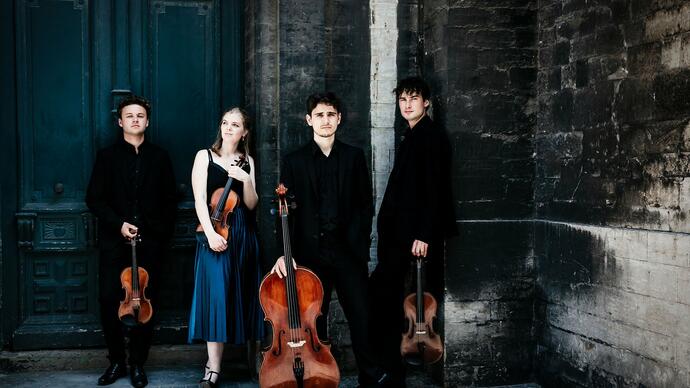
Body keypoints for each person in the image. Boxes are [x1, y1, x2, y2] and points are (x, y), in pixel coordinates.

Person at [270, 92, 388, 387]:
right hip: (311, 257)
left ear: (339, 119)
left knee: (361, 317)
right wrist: (286, 253)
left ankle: (370, 377)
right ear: (309, 120)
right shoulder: (293, 161)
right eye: (319, 115)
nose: (325, 120)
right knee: (315, 323)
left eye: (330, 115)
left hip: (348, 254)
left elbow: (364, 204)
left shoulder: (353, 156)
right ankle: (317, 378)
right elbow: (285, 214)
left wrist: (359, 244)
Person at [369, 77, 456, 387]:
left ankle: (393, 372)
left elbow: (435, 191)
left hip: (411, 237)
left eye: (414, 98)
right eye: (403, 99)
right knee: (385, 297)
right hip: (400, 236)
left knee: (384, 297)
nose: (407, 104)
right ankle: (391, 370)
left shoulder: (430, 137)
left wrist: (424, 235)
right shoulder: (413, 135)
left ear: (426, 102)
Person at [86, 95, 177, 388]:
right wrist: (119, 224)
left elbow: (169, 201)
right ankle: (116, 362)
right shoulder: (106, 156)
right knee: (109, 300)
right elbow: (94, 199)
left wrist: (155, 232)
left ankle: (138, 363)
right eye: (129, 115)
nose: (135, 119)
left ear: (147, 121)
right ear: (120, 121)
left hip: (149, 245)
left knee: (144, 305)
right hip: (114, 244)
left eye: (140, 115)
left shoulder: (160, 157)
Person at [187, 107, 264, 387]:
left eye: (235, 124)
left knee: (240, 295)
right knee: (216, 298)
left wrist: (246, 181)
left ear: (244, 132)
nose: (228, 128)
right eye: (224, 123)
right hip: (214, 232)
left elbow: (252, 204)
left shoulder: (248, 161)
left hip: (242, 232)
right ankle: (214, 367)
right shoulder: (204, 156)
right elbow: (198, 200)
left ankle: (248, 362)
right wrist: (210, 234)